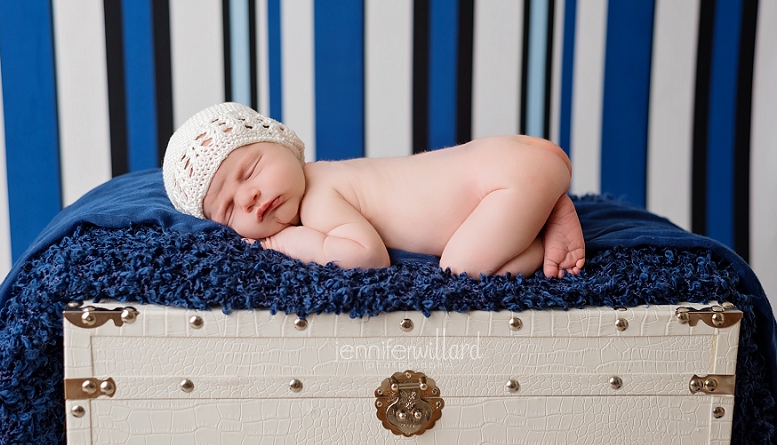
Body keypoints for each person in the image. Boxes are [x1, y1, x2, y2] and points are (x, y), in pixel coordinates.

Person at [163, 103, 585, 278]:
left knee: (458, 268)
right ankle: (543, 201)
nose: (250, 198)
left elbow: (366, 256)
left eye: (250, 170)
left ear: (282, 143)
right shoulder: (329, 175)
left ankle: (543, 221)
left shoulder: (320, 195)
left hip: (506, 180)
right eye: (229, 209)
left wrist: (282, 239)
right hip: (511, 158)